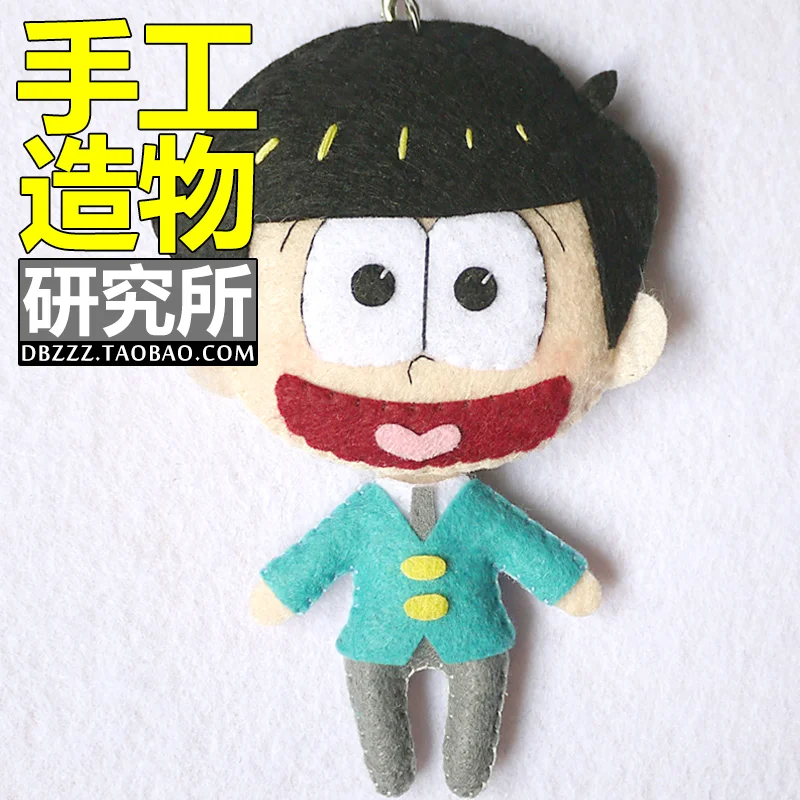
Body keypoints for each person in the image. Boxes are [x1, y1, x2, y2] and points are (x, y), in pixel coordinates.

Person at [179, 20, 667, 799]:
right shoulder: (377, 517)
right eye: (366, 286)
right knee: (383, 732)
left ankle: (464, 774)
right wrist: (284, 587)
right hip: (379, 644)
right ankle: (396, 771)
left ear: (625, 332)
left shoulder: (460, 512)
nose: (419, 369)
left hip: (474, 642)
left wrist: (565, 580)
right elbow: (314, 561)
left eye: (484, 288)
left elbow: (532, 556)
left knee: (471, 741)